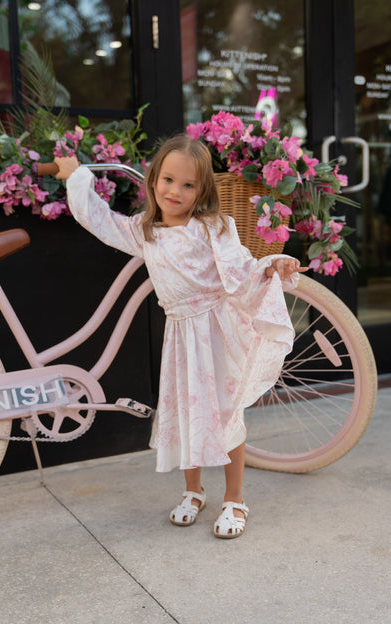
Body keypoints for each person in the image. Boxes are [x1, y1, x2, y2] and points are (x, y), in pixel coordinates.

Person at [55, 134, 306, 539]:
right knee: (187, 411)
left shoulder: (213, 226)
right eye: (168, 180)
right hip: (180, 335)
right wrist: (77, 175)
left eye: (188, 185)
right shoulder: (145, 230)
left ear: (202, 190)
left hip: (215, 330)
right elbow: (100, 220)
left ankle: (235, 498)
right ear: (153, 180)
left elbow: (240, 268)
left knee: (226, 415)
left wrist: (272, 264)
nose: (175, 191)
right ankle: (193, 491)